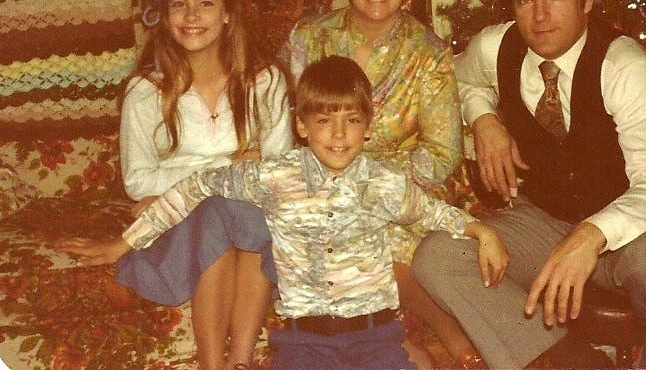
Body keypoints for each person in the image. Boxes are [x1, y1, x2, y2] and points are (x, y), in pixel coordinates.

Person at [59, 55, 509, 370]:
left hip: (375, 336)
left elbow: (432, 212)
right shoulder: (271, 175)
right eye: (324, 120)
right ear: (300, 125)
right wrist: (125, 241)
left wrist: (481, 232)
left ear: (368, 127)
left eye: (351, 120)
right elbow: (193, 188)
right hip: (303, 342)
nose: (338, 134)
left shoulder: (383, 183)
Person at [412, 0, 646, 369]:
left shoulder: (625, 67)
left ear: (587, 1)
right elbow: (458, 78)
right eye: (525, 1)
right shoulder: (496, 46)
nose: (539, 17)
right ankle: (566, 359)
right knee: (438, 256)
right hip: (541, 217)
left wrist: (591, 233)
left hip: (627, 227)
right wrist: (484, 119)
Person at [283, 0, 481, 366]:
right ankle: (401, 348)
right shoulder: (309, 37)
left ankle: (445, 341)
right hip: (320, 176)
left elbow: (443, 153)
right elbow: (290, 127)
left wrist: (367, 182)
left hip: (403, 185)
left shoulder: (428, 53)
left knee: (367, 235)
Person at [116, 0, 294, 370]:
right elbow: (138, 182)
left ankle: (239, 362)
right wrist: (226, 169)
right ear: (163, 14)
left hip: (251, 216)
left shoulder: (265, 82)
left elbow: (278, 170)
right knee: (218, 210)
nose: (191, 15)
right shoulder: (146, 91)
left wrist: (231, 178)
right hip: (177, 222)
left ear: (228, 13)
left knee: (242, 211)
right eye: (178, 3)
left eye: (206, 2)